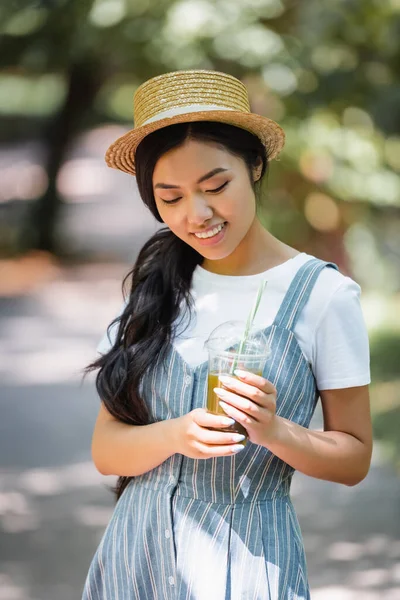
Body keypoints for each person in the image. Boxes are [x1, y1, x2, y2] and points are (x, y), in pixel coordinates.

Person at [82, 69, 372, 600]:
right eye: (170, 199)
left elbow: (354, 458)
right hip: (131, 564)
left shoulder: (323, 297)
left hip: (246, 570)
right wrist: (176, 434)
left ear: (254, 166)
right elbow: (107, 448)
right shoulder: (155, 287)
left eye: (216, 186)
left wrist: (276, 431)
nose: (198, 215)